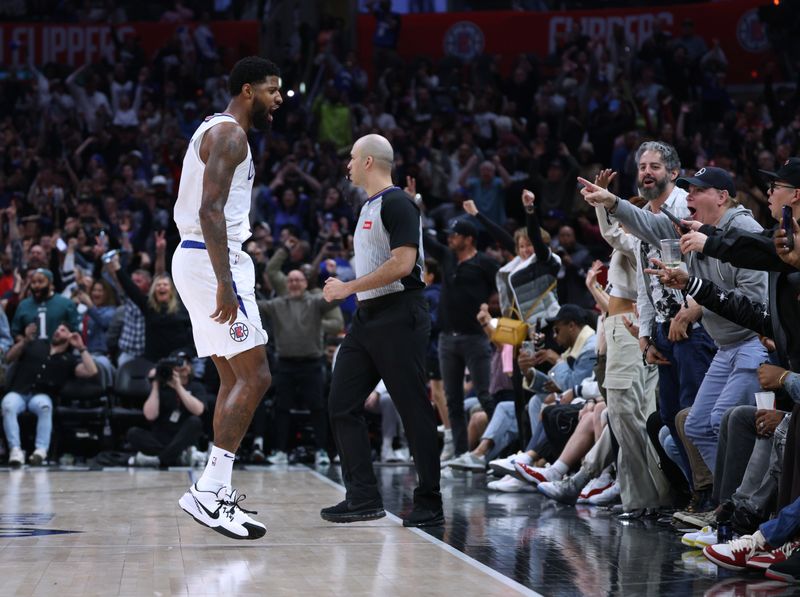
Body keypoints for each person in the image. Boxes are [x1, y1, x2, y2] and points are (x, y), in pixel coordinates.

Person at [171, 56, 283, 540]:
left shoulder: (211, 130)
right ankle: (210, 489)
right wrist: (224, 280)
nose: (278, 99)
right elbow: (210, 209)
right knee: (256, 376)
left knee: (232, 376)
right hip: (212, 259)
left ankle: (214, 491)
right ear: (246, 90)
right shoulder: (231, 135)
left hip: (195, 255)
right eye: (272, 90)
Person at [320, 133, 442, 528]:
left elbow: (403, 264)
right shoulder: (372, 205)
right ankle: (363, 497)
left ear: (369, 161)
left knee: (412, 409)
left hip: (399, 314)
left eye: (352, 158)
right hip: (368, 318)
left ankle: (430, 501)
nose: (348, 165)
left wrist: (347, 289)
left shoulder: (397, 202)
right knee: (341, 402)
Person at [257, 269, 341, 466]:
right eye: (291, 280)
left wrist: (338, 283)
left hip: (312, 363)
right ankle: (280, 451)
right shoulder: (277, 304)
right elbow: (256, 306)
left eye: (298, 280)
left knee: (318, 408)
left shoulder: (315, 302)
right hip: (285, 363)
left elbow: (337, 300)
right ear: (287, 283)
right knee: (281, 408)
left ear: (305, 283)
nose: (294, 283)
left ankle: (321, 450)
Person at [2, 323, 98, 466]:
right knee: (8, 405)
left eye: (63, 330)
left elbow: (92, 372)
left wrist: (81, 348)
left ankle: (40, 451)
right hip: (20, 390)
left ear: (71, 336)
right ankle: (15, 449)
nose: (58, 331)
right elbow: (8, 358)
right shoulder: (36, 345)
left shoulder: (69, 359)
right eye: (57, 328)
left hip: (41, 395)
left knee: (45, 407)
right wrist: (25, 341)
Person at [127, 351, 208, 468]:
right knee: (133, 433)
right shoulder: (161, 387)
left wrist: (178, 387)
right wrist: (155, 383)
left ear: (189, 368)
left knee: (195, 422)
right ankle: (177, 457)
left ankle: (160, 459)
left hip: (182, 438)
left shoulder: (196, 387)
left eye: (180, 363)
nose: (177, 367)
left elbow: (199, 410)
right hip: (161, 437)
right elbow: (150, 415)